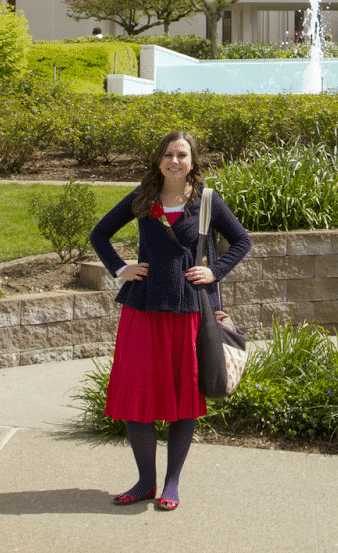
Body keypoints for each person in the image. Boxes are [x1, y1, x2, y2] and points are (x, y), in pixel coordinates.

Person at [89, 130, 251, 511]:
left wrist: (215, 271)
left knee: (184, 396)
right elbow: (100, 234)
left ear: (193, 161)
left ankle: (171, 483)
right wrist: (121, 268)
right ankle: (145, 481)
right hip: (143, 309)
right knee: (135, 395)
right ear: (157, 161)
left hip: (190, 311)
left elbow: (242, 241)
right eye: (167, 155)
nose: (174, 161)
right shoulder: (143, 199)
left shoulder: (208, 201)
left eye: (181, 155)